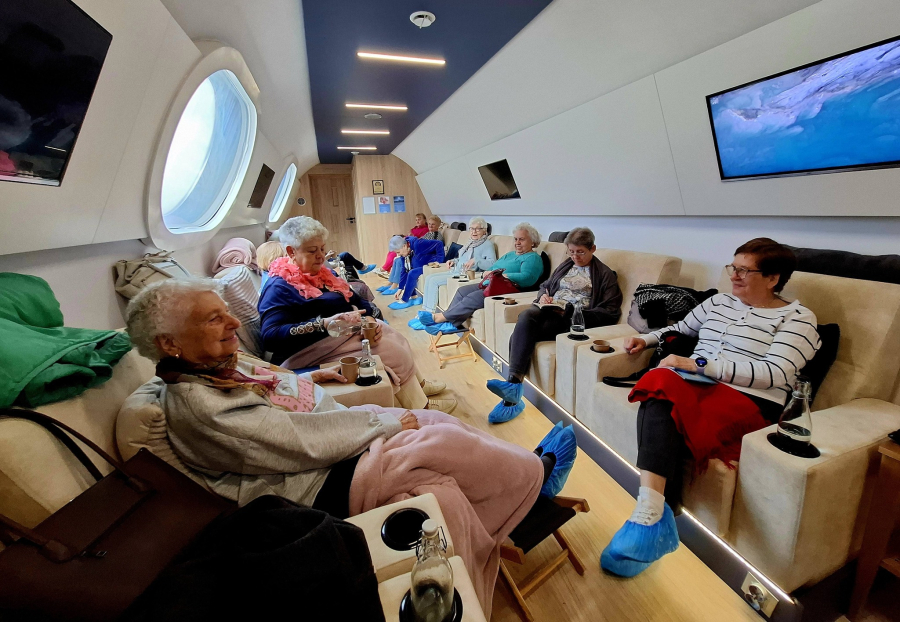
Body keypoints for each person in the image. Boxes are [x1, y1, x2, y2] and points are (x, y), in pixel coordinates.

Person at [124, 278, 579, 615]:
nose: (233, 323)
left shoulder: (212, 369)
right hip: (313, 483)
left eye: (226, 312)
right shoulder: (200, 405)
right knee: (438, 440)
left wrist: (307, 378)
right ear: (170, 343)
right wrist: (383, 421)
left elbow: (271, 399)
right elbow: (297, 443)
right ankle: (534, 475)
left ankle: (523, 475)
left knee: (437, 424)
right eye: (213, 318)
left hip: (326, 452)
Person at [600, 238, 821, 577]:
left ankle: (649, 516)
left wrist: (699, 364)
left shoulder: (798, 318)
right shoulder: (719, 302)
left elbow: (775, 373)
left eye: (745, 271)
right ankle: (653, 517)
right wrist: (646, 339)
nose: (734, 275)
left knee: (661, 381)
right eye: (734, 267)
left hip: (749, 400)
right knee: (661, 385)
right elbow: (679, 328)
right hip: (694, 385)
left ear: (773, 278)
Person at [257, 216, 455, 412]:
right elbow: (270, 337)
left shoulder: (324, 274)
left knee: (394, 336)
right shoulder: (279, 286)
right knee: (390, 351)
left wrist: (369, 319)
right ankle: (421, 407)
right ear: (291, 251)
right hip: (304, 351)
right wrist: (323, 323)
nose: (320, 256)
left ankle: (419, 386)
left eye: (322, 249)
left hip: (338, 336)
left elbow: (358, 300)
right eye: (312, 251)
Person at [486, 228, 623, 423]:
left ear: (592, 249)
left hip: (571, 318)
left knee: (522, 328)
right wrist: (543, 296)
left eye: (580, 252)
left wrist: (573, 312)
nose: (575, 257)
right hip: (550, 310)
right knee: (527, 317)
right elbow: (546, 285)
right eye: (571, 252)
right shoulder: (566, 265)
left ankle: (512, 393)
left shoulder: (604, 274)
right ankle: (512, 392)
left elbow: (610, 311)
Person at [417, 223, 544, 335]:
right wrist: (488, 273)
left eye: (522, 239)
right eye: (516, 239)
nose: (517, 242)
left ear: (533, 242)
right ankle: (450, 324)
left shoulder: (533, 258)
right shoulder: (510, 254)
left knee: (473, 297)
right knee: (462, 291)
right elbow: (494, 267)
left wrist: (505, 275)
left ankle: (439, 318)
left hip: (509, 288)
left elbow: (528, 278)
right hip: (492, 283)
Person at [403, 217, 497, 318]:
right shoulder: (470, 242)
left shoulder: (487, 244)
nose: (474, 231)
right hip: (456, 270)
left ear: (484, 231)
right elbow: (462, 259)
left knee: (434, 281)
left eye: (477, 229)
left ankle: (430, 315)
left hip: (467, 274)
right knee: (429, 278)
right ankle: (425, 310)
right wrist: (453, 261)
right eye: (472, 228)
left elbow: (492, 264)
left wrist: (476, 260)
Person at [376, 233, 444, 301]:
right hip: (422, 265)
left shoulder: (418, 244)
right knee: (409, 270)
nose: (398, 254)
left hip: (432, 266)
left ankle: (404, 300)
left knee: (412, 273)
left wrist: (439, 261)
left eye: (398, 252)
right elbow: (404, 271)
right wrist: (400, 288)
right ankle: (413, 298)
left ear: (404, 246)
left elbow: (439, 243)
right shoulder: (405, 254)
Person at [375, 213, 430, 278]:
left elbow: (420, 240)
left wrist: (411, 237)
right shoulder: (414, 228)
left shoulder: (426, 230)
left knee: (395, 252)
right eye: (416, 220)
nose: (417, 221)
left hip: (412, 245)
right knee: (392, 250)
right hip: (406, 242)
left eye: (419, 219)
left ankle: (384, 269)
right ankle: (386, 270)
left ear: (425, 220)